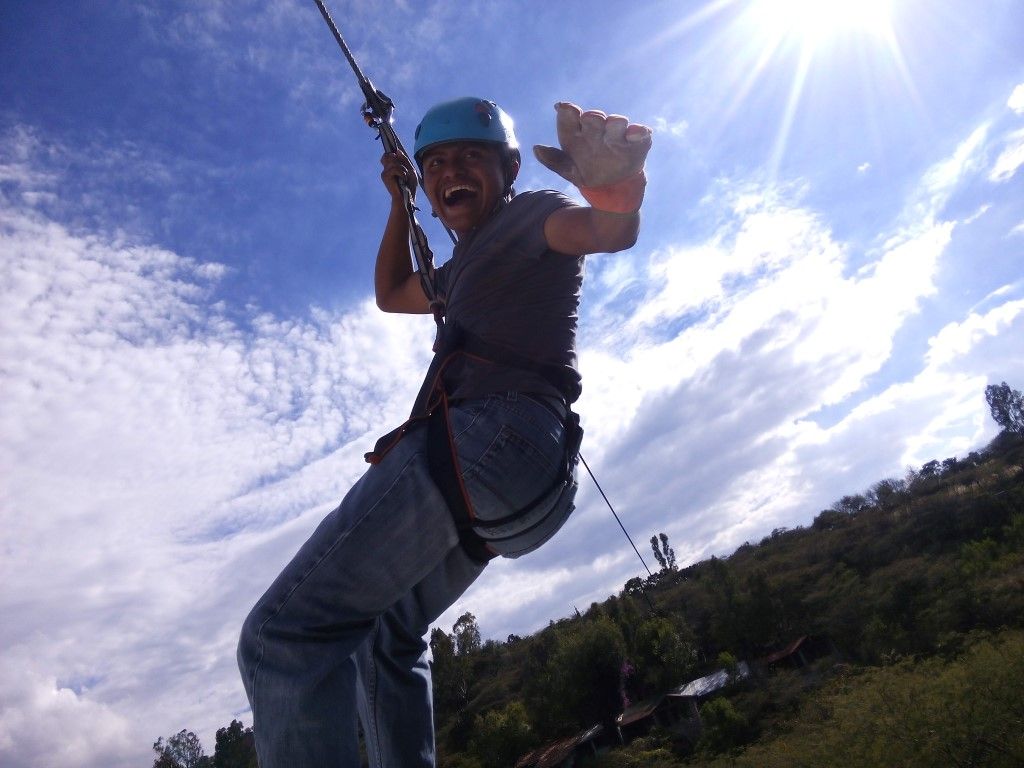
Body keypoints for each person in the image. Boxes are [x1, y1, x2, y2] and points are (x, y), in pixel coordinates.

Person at [237, 97, 652, 767]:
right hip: (524, 489)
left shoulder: (533, 215)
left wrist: (616, 190)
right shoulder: (459, 273)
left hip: (491, 442)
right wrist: (400, 203)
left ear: (508, 168)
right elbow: (392, 291)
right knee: (385, 637)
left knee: (282, 637)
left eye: (468, 157)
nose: (448, 170)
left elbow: (605, 231)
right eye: (435, 164)